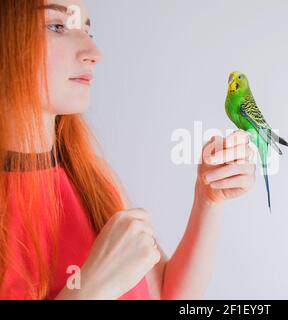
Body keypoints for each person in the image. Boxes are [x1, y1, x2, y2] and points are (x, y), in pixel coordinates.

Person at [0, 0, 256, 299]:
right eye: (57, 26)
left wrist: (208, 199)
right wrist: (88, 289)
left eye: (87, 31)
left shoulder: (90, 174)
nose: (94, 53)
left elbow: (168, 295)